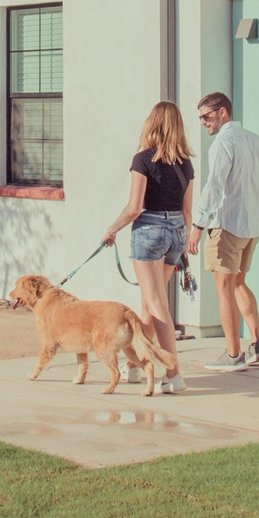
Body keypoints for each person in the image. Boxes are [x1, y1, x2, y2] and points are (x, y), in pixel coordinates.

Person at [101, 101, 193, 395]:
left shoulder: (142, 160)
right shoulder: (186, 164)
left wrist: (112, 229)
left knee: (157, 305)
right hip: (176, 232)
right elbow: (188, 211)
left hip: (150, 232)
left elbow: (134, 207)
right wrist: (184, 243)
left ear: (150, 124)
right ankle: (136, 365)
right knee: (148, 306)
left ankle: (174, 373)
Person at [188, 91, 259, 371]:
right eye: (200, 118)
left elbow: (213, 187)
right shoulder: (256, 140)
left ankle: (233, 354)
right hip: (252, 226)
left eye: (206, 116)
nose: (203, 122)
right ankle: (258, 342)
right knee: (238, 283)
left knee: (223, 290)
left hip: (226, 225)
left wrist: (198, 226)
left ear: (223, 111)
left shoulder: (223, 143)